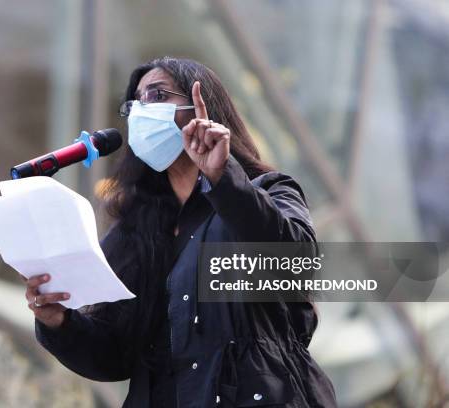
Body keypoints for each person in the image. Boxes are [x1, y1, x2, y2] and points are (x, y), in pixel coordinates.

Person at [23, 57, 337, 407]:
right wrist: (60, 323)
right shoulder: (134, 229)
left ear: (203, 110)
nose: (143, 111)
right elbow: (116, 355)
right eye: (136, 103)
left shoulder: (267, 190)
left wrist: (224, 179)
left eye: (158, 96)